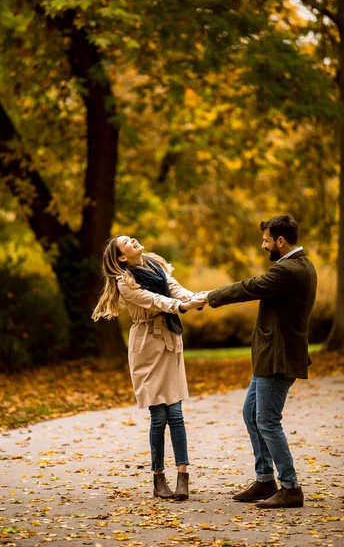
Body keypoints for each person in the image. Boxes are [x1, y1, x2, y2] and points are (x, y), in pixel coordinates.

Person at [205, 215, 317, 508]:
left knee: (267, 421)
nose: (263, 245)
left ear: (280, 241)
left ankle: (290, 487)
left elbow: (248, 287)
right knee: (251, 413)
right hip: (271, 355)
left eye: (266, 240)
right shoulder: (295, 265)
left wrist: (208, 296)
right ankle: (265, 479)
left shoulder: (289, 270)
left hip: (278, 358)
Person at [92, 235, 205, 500]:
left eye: (131, 237)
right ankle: (158, 479)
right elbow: (155, 300)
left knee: (176, 414)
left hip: (170, 339)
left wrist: (194, 297)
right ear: (121, 258)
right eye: (125, 243)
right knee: (159, 416)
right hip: (147, 346)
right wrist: (182, 306)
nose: (132, 240)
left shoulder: (156, 264)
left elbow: (173, 288)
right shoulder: (126, 282)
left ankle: (182, 477)